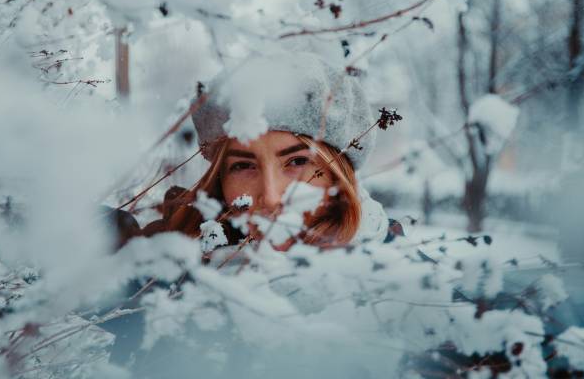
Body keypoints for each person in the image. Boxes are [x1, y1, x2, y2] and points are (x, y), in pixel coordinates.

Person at [116, 51, 401, 252]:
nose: (272, 197)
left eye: (298, 161)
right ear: (219, 179)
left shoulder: (414, 297)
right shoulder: (170, 278)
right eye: (243, 166)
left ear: (338, 174)